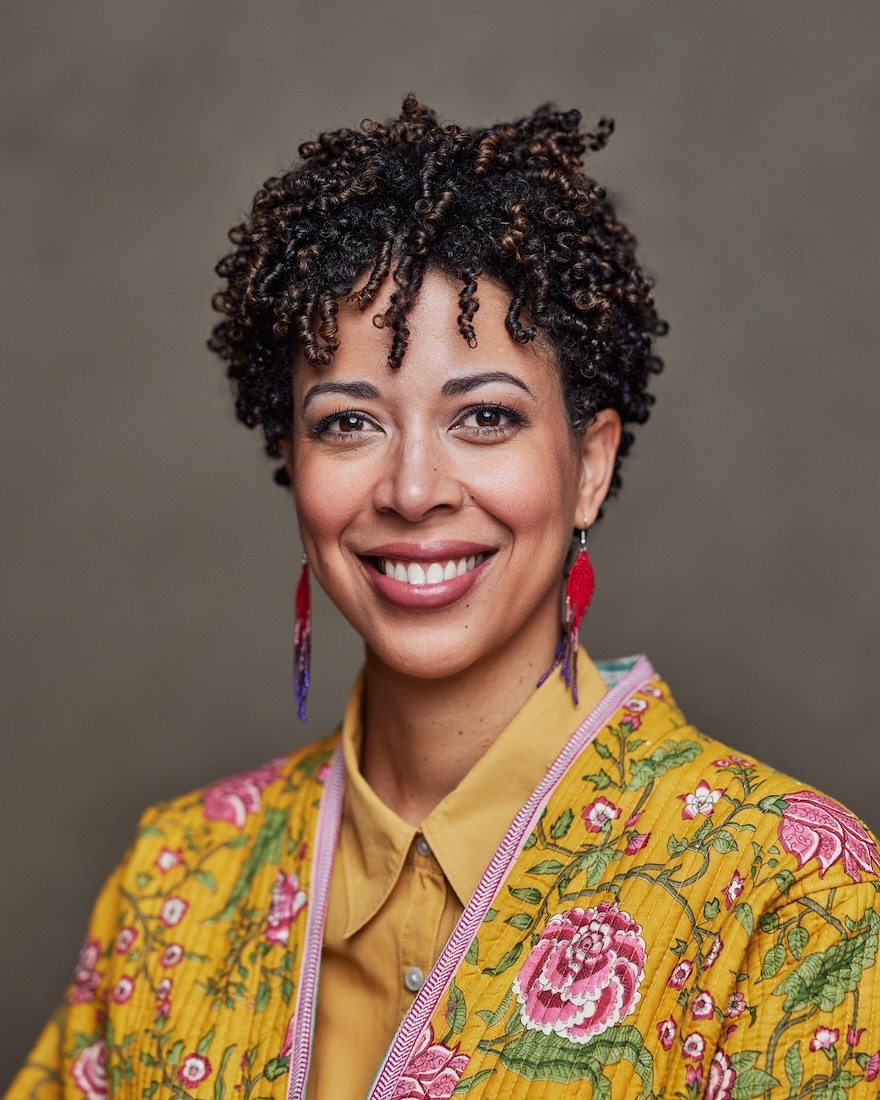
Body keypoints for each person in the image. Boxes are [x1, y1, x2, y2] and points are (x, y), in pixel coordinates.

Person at [7, 96, 880, 1100]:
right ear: (292, 463)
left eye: (484, 415)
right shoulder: (175, 881)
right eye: (347, 424)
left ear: (589, 463)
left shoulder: (791, 892)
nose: (414, 488)